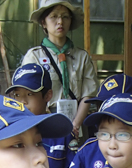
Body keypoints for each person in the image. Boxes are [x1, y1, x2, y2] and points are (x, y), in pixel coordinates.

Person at [22, 0, 98, 138]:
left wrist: (75, 124)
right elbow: (29, 94)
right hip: (45, 121)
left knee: (77, 158)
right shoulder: (34, 56)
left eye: (65, 17)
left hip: (77, 122)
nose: (60, 22)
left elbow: (88, 94)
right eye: (53, 16)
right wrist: (50, 123)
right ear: (43, 22)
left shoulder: (82, 56)